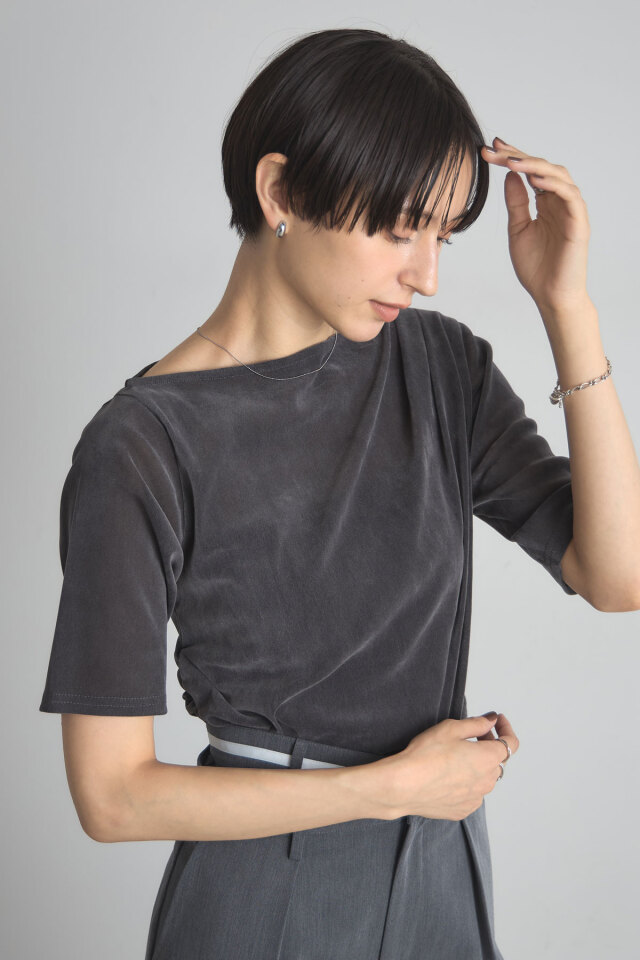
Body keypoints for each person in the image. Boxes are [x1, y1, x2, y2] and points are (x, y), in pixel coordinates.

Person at [38, 26, 640, 960]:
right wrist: (391, 789)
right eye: (399, 229)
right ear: (279, 191)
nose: (426, 274)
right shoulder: (143, 445)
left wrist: (570, 310)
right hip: (266, 882)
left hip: (442, 864)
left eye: (442, 235)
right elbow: (112, 799)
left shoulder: (440, 367)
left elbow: (618, 576)